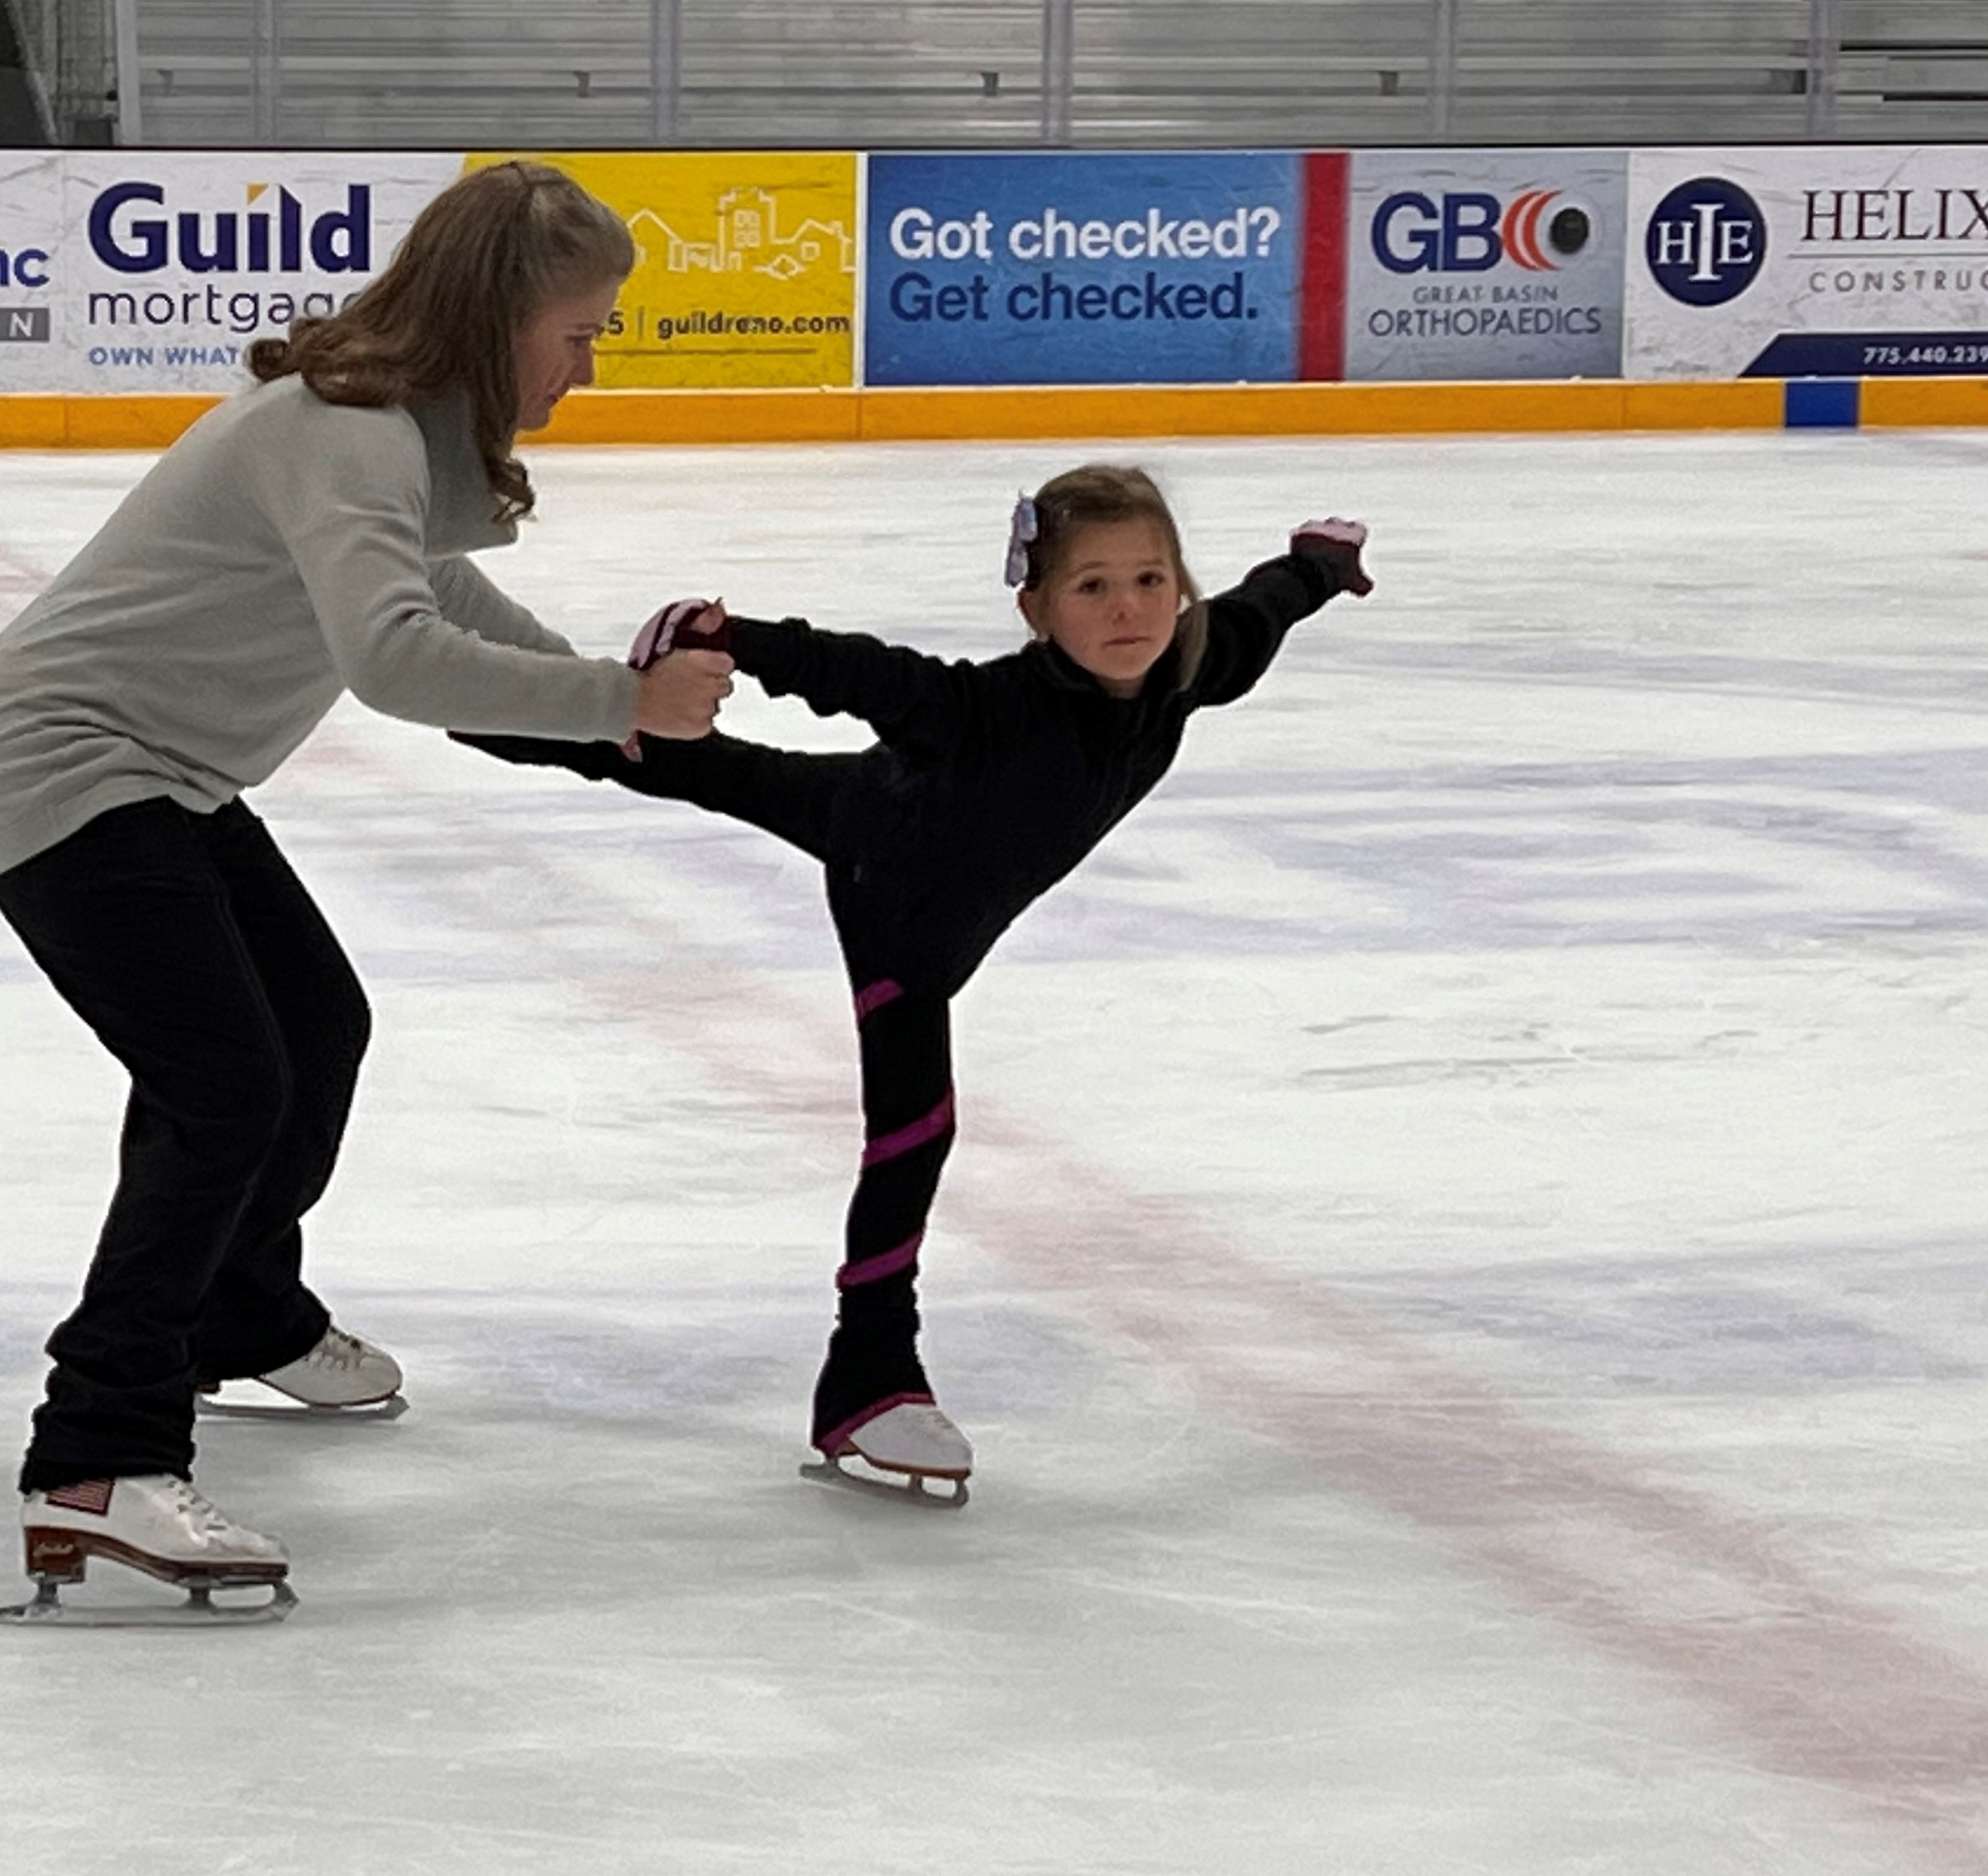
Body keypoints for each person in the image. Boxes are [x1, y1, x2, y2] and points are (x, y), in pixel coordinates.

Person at [0, 161, 736, 1622]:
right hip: (62, 765)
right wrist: (615, 691)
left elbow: (449, 617)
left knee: (315, 1023)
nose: (590, 359)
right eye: (581, 328)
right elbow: (395, 657)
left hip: (158, 773)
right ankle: (100, 1451)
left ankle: (239, 1310)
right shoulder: (349, 433)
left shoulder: (393, 432)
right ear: (501, 319)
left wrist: (611, 721)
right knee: (226, 1078)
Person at [460, 466, 1374, 1504]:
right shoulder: (983, 708)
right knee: (910, 1134)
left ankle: (503, 708)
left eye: (1151, 579)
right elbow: (869, 676)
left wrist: (1315, 564)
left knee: (684, 763)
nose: (1128, 608)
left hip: (888, 829)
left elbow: (1265, 606)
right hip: (896, 898)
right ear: (1033, 607)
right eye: (1090, 587)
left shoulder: (1195, 662)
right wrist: (738, 636)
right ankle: (868, 1381)